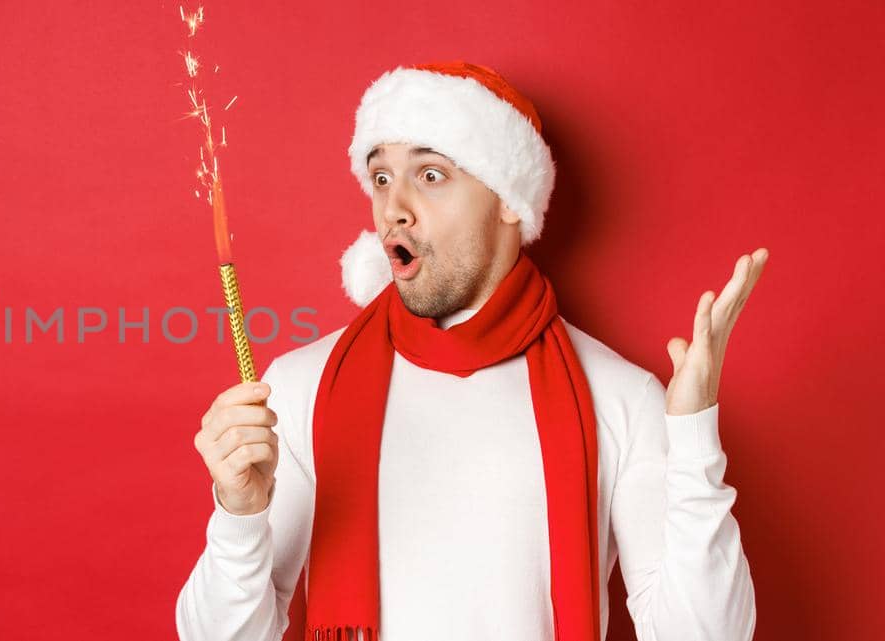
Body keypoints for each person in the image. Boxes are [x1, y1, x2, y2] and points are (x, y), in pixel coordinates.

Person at [175, 61, 765, 641]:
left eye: (430, 176)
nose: (393, 208)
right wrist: (240, 513)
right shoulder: (302, 388)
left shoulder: (619, 395)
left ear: (509, 199)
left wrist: (692, 438)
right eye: (381, 178)